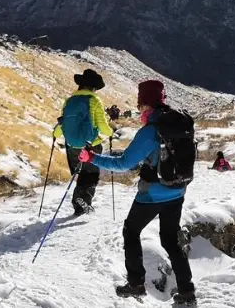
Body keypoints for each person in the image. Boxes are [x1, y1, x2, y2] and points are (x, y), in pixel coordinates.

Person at [77, 80, 195, 305]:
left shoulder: (151, 130)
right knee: (170, 239)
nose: (139, 109)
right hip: (178, 190)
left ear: (145, 104)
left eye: (140, 104)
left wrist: (92, 158)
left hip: (152, 194)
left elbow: (124, 164)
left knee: (131, 231)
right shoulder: (179, 122)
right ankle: (187, 292)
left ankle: (136, 283)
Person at [53, 69, 113, 216]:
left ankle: (78, 203)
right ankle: (83, 200)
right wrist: (110, 133)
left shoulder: (70, 100)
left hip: (72, 145)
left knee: (82, 173)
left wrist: (56, 134)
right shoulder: (94, 100)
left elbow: (64, 123)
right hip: (90, 145)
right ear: (93, 87)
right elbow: (103, 126)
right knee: (91, 173)